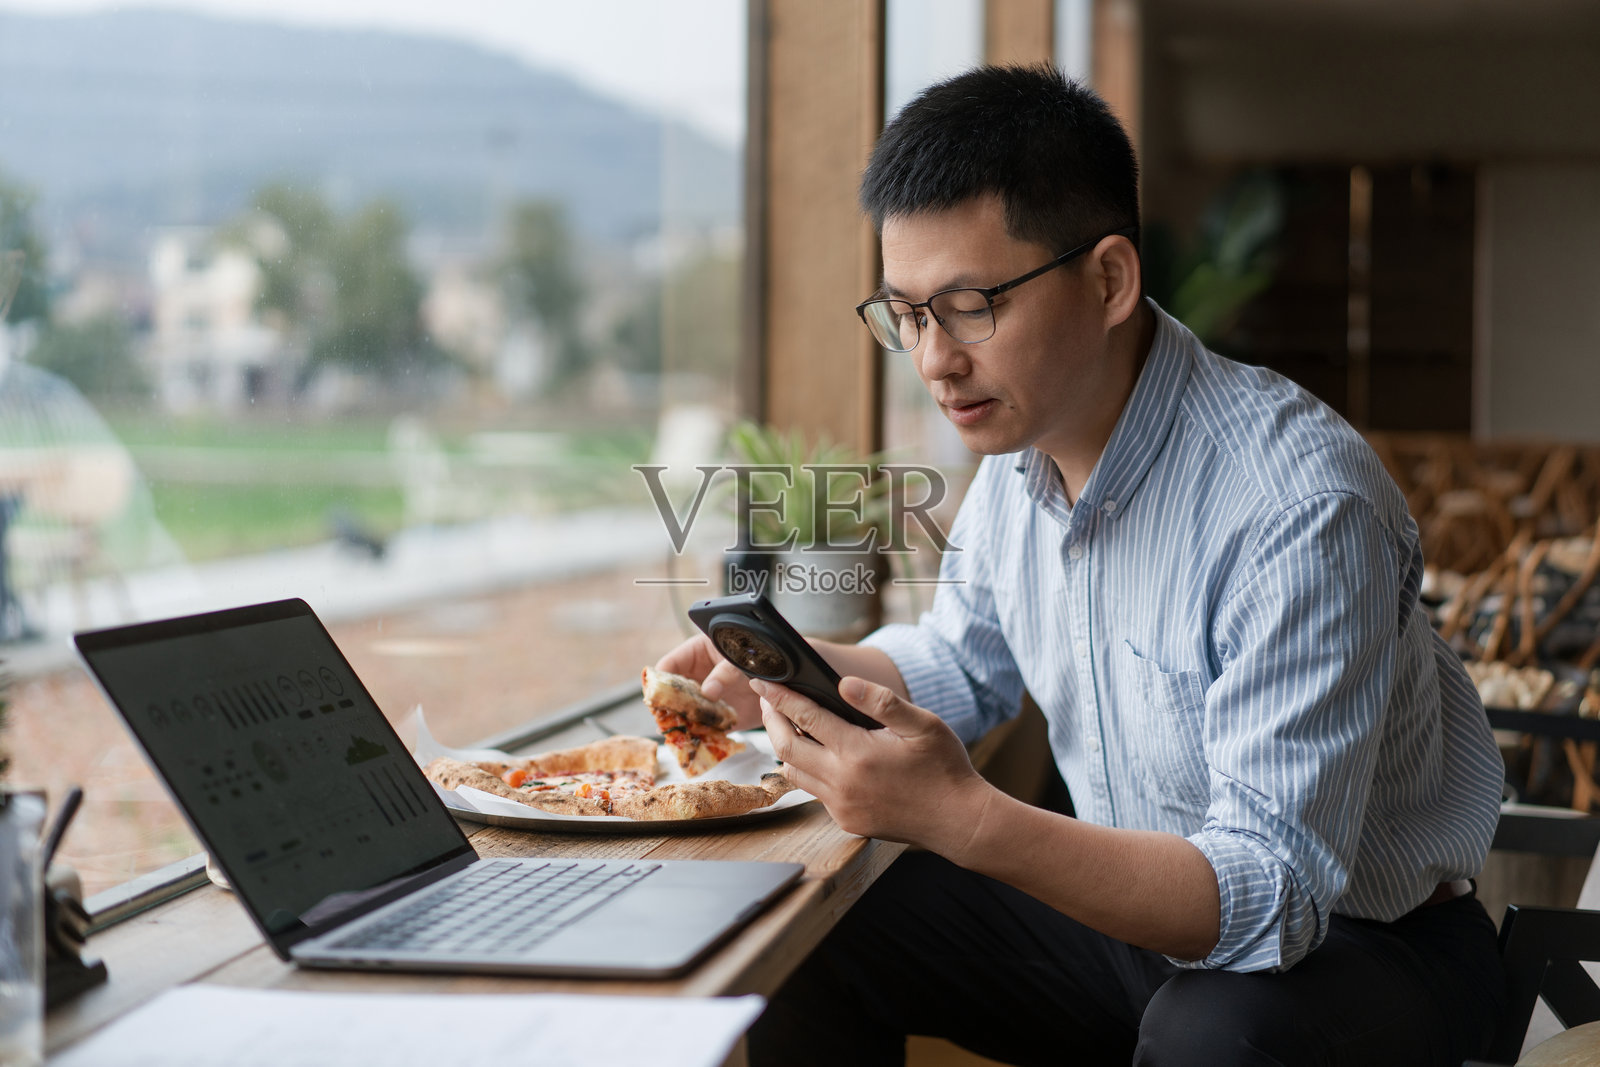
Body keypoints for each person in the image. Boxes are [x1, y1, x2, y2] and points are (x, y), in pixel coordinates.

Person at [656, 64, 1506, 1066]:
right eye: (907, 315)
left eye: (969, 306)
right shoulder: (1021, 458)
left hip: (1369, 948)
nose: (934, 359)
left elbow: (1271, 898)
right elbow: (961, 665)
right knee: (812, 922)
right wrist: (789, 669)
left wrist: (964, 816)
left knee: (1214, 1032)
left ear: (1108, 278)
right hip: (1143, 928)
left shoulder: (1297, 504)